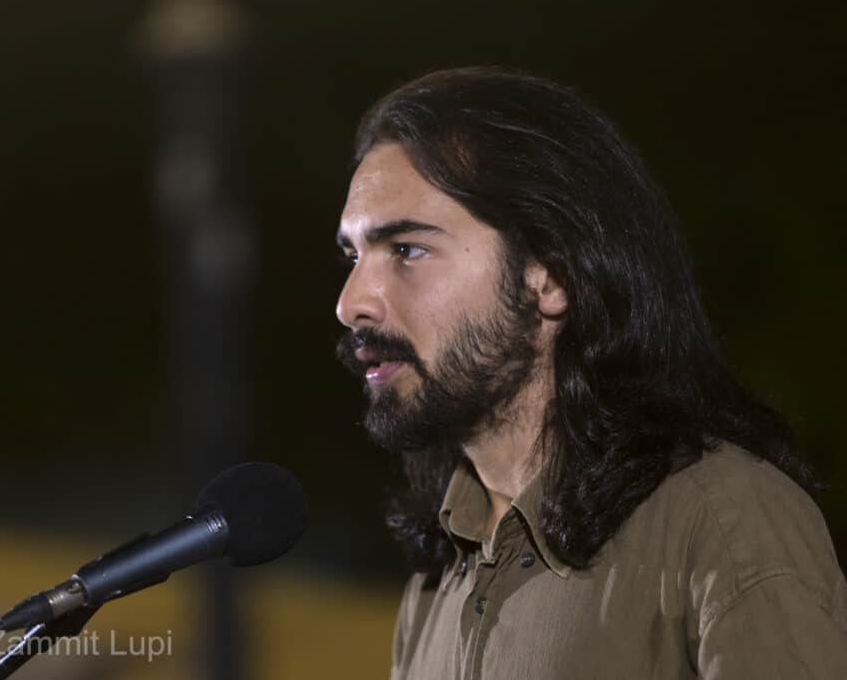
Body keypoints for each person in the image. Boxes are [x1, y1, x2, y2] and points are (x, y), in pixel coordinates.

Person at [334, 67, 847, 679]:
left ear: (550, 277)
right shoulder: (435, 583)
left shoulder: (723, 520)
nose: (350, 302)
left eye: (407, 250)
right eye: (353, 255)